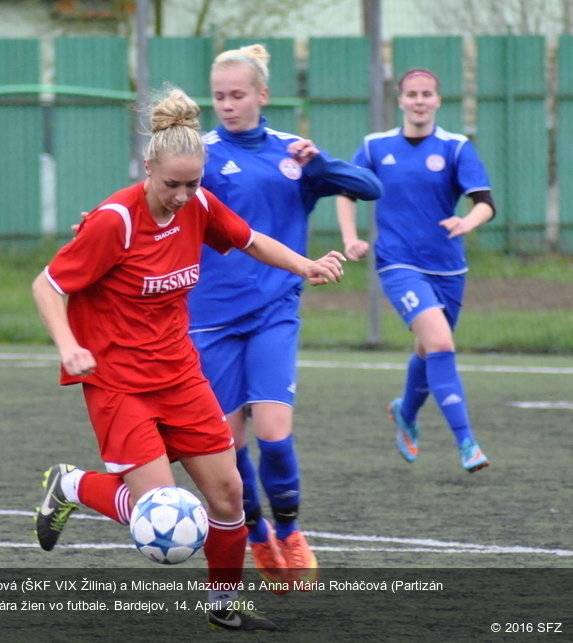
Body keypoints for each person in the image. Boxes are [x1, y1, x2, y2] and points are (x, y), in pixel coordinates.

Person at [33, 86, 346, 632]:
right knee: (159, 511)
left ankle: (222, 605)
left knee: (228, 497)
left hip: (179, 374)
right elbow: (47, 285)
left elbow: (250, 240)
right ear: (148, 167)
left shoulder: (199, 205)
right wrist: (68, 345)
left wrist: (305, 265)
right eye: (171, 184)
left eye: (192, 183)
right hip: (119, 384)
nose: (182, 195)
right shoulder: (115, 221)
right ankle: (71, 486)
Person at [187, 44, 383, 589]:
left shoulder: (290, 155)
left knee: (274, 432)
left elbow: (370, 188)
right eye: (219, 96)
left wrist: (318, 164)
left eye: (238, 95)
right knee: (227, 449)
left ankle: (291, 533)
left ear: (263, 95)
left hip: (274, 312)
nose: (226, 105)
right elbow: (153, 197)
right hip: (209, 319)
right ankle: (256, 538)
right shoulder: (199, 154)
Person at [336, 67, 494, 473]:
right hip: (398, 263)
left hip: (449, 268)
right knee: (440, 343)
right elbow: (346, 192)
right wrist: (350, 238)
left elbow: (484, 202)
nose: (420, 100)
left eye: (427, 94)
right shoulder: (375, 146)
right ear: (400, 100)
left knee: (428, 350)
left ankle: (406, 411)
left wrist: (467, 222)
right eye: (412, 94)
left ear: (438, 100)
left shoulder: (457, 147)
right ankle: (467, 443)